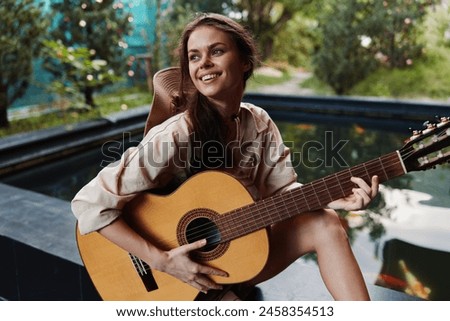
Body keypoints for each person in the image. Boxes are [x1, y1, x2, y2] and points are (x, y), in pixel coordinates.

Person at [72, 12, 379, 301]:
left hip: (231, 264)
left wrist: (331, 197)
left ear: (245, 61)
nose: (203, 63)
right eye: (194, 56)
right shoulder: (177, 135)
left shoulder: (257, 122)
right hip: (172, 277)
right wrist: (162, 260)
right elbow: (89, 204)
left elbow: (282, 191)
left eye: (216, 51)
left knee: (325, 222)